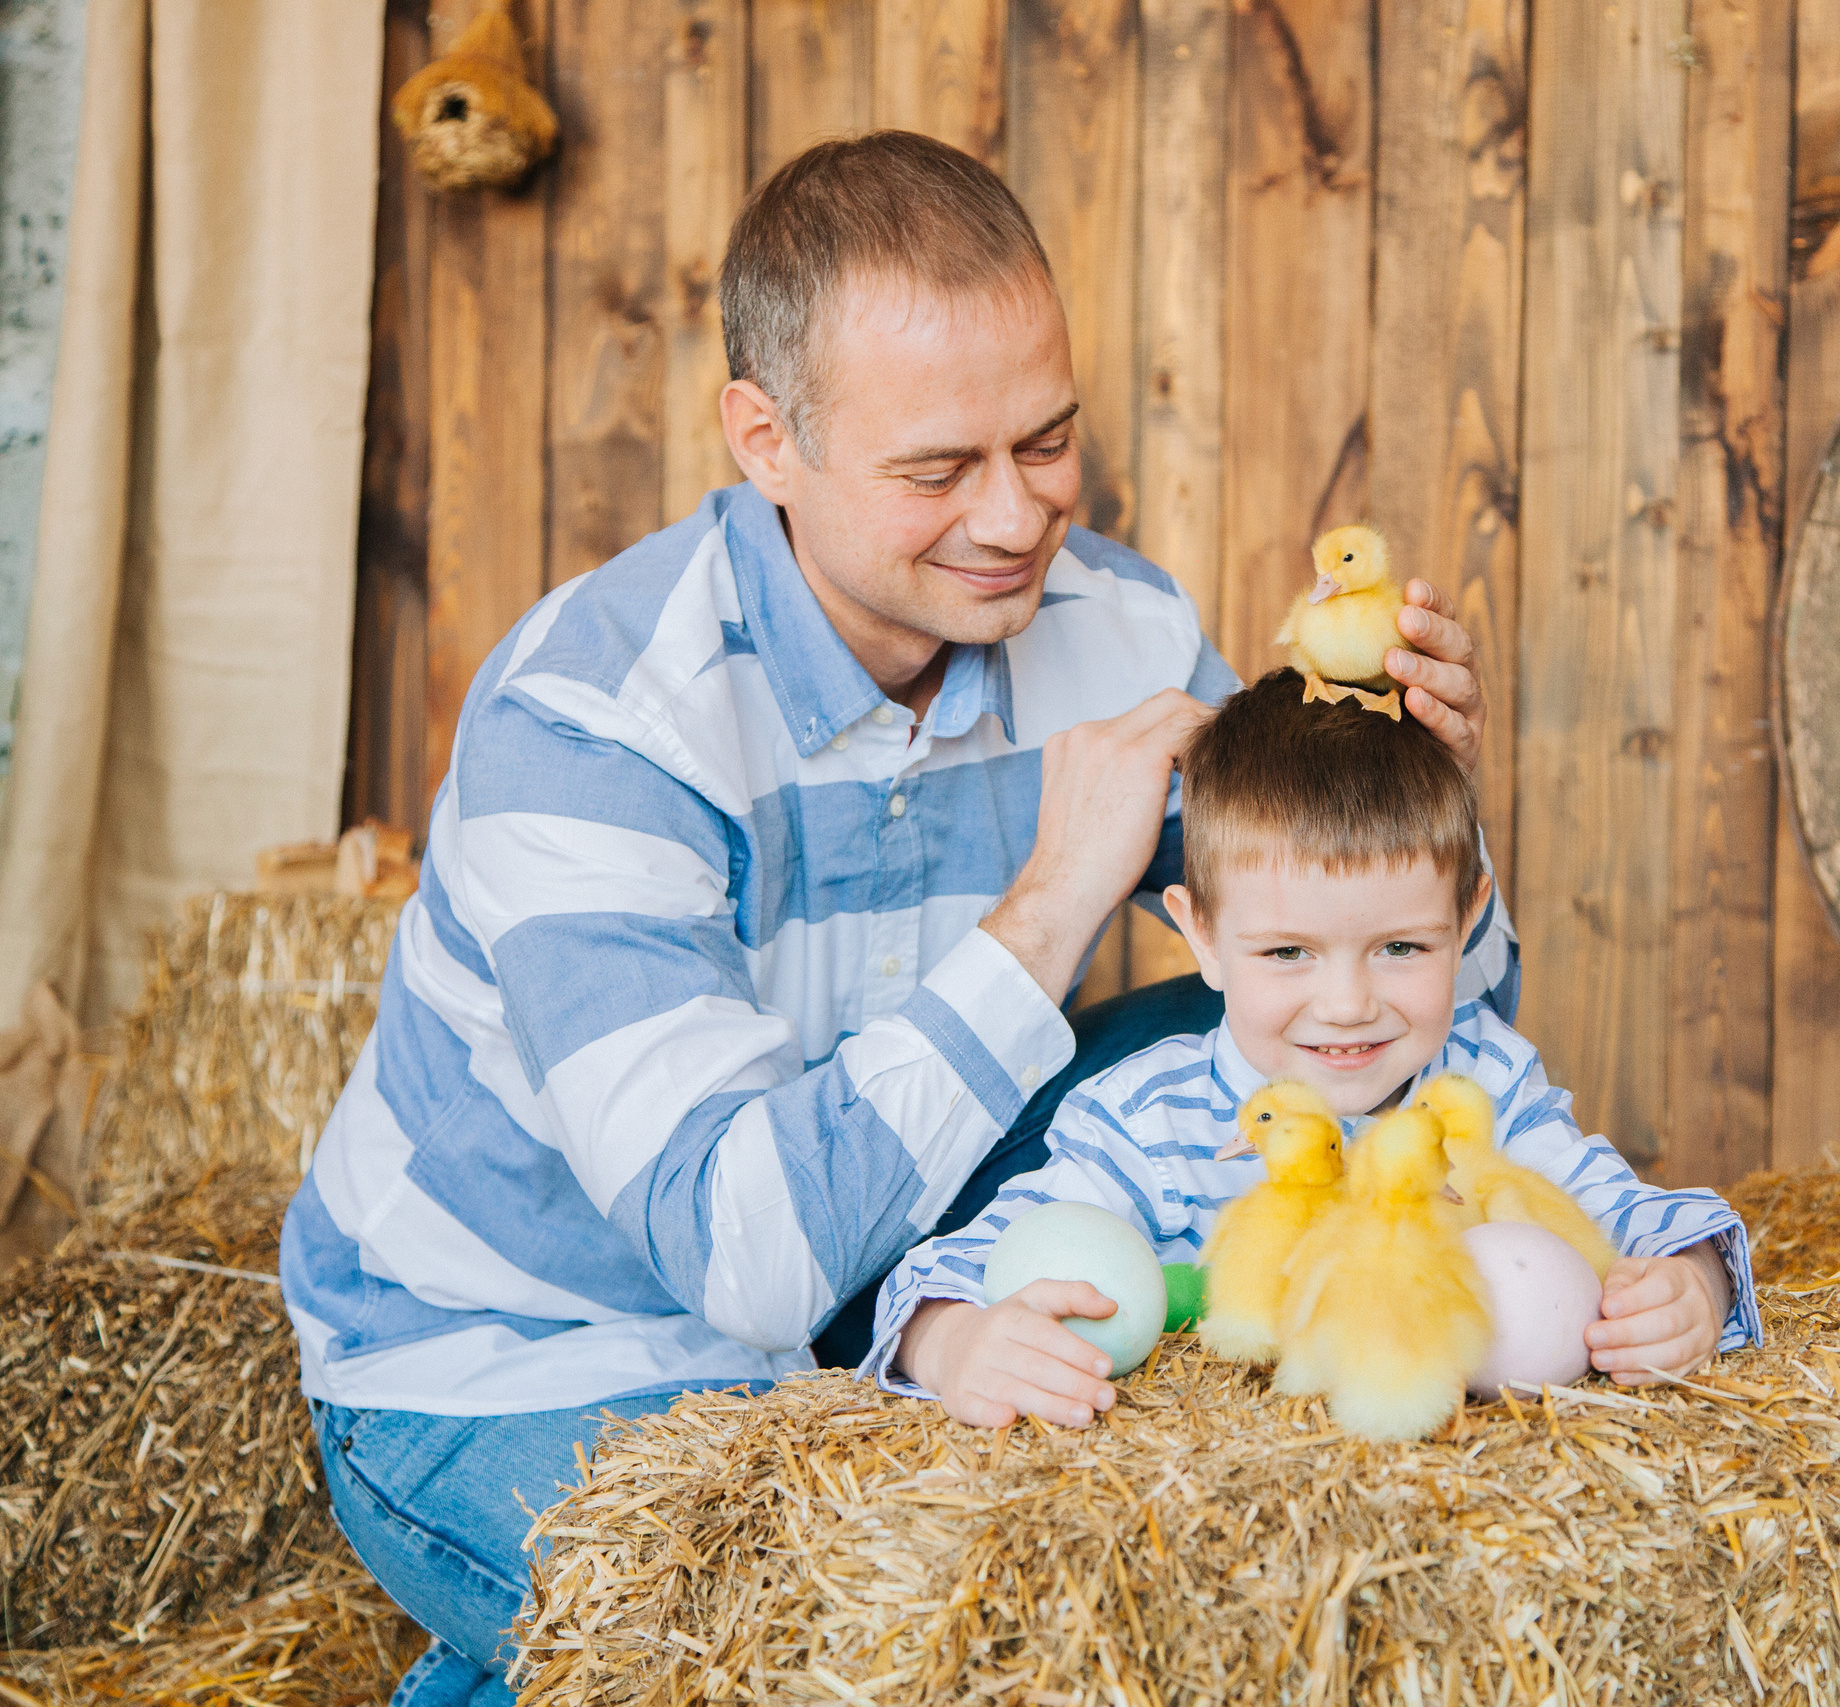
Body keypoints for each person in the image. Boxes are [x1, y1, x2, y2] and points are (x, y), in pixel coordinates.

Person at [279, 133, 1508, 1705]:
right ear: (764, 438)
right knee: (843, 1643)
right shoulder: (597, 723)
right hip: (511, 1351)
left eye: (1049, 441)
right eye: (937, 471)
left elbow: (1414, 1027)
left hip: (890, 1260)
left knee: (1263, 1018)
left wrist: (1422, 813)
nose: (1014, 520)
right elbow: (743, 1259)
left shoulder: (1113, 628)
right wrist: (1060, 893)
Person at [873, 669, 1759, 1427]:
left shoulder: (1484, 1082)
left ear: (1468, 916)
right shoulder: (1143, 1118)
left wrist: (1690, 1292)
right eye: (1288, 952)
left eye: (1402, 948)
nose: (1347, 1007)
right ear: (1204, 937)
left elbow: (1645, 1216)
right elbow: (955, 1266)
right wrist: (955, 1344)